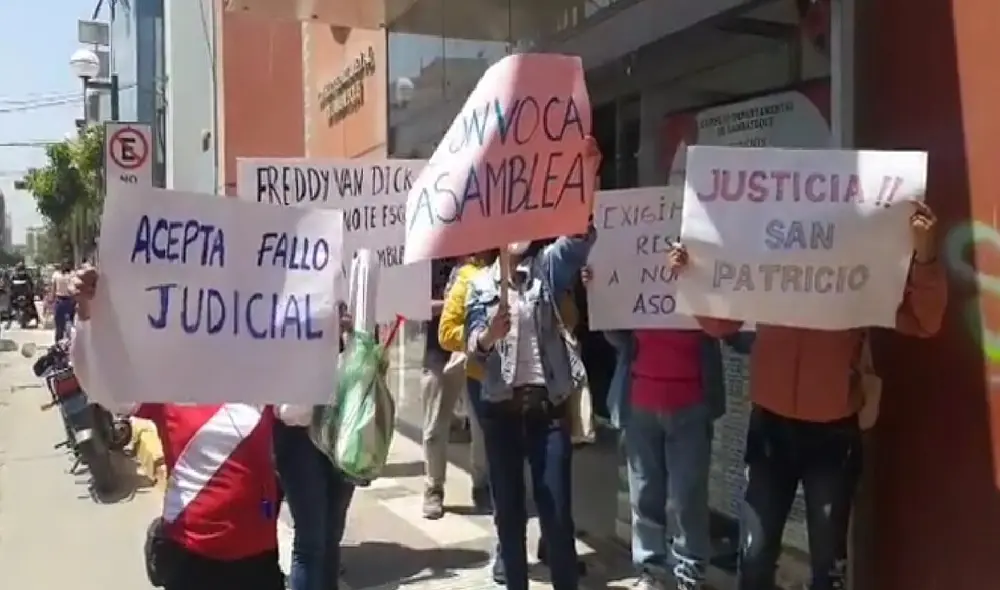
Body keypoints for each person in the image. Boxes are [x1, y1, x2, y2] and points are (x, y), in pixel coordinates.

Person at [669, 201, 947, 590]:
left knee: (827, 567)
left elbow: (924, 320)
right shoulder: (772, 266)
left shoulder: (862, 273)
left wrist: (926, 255)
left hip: (833, 437)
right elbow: (720, 324)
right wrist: (691, 275)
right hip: (770, 430)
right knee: (754, 559)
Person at [69, 264, 286, 590]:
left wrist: (328, 338)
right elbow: (101, 385)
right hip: (191, 559)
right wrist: (86, 314)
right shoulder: (169, 380)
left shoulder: (264, 372)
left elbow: (302, 411)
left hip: (258, 560)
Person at [464, 173, 599, 590]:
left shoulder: (547, 268)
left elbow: (579, 240)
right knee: (509, 517)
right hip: (501, 414)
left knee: (557, 515)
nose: (516, 234)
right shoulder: (481, 285)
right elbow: (472, 348)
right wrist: (489, 335)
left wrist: (585, 180)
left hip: (547, 412)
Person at [582, 263, 752, 590]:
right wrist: (600, 294)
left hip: (691, 404)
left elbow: (732, 333)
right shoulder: (635, 268)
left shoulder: (704, 272)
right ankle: (652, 573)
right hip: (640, 403)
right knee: (644, 493)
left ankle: (690, 574)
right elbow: (616, 337)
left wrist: (696, 280)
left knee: (688, 495)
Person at [273, 301, 356, 590]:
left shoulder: (340, 280)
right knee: (311, 539)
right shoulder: (277, 295)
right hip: (297, 434)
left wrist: (349, 331)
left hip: (339, 428)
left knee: (331, 534)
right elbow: (289, 410)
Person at [438, 250, 495, 512]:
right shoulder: (467, 279)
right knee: (483, 438)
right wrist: (483, 336)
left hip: (522, 381)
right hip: (481, 376)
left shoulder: (530, 276)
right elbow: (447, 332)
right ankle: (482, 485)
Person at [420, 258, 467, 519]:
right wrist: (453, 301)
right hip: (438, 353)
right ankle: (433, 489)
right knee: (434, 428)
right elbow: (418, 307)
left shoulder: (482, 259)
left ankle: (483, 485)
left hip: (476, 349)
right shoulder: (431, 263)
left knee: (482, 428)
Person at [51, 260, 76, 342]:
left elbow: (74, 288)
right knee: (59, 325)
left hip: (69, 301)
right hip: (59, 300)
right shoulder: (56, 275)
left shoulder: (72, 275)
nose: (64, 266)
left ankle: (69, 343)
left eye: (66, 264)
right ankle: (58, 343)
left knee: (69, 324)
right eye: (63, 264)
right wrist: (51, 299)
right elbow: (53, 288)